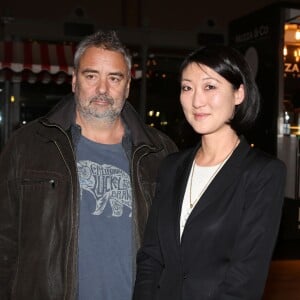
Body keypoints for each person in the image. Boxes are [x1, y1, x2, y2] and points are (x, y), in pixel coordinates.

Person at [0, 30, 177, 300]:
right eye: (91, 76)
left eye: (114, 78)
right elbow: (4, 242)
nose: (102, 89)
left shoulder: (161, 152)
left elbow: (176, 247)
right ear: (74, 81)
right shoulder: (27, 145)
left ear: (127, 86)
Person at [133, 45, 286, 300]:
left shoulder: (263, 174)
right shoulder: (172, 166)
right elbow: (151, 256)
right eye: (187, 87)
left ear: (239, 93)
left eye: (210, 86)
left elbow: (245, 280)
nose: (196, 101)